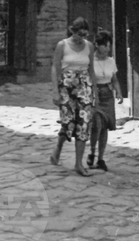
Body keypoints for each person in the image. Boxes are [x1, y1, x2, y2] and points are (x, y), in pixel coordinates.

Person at [50, 17, 98, 176]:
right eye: (79, 35)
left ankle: (78, 163)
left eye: (85, 35)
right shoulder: (62, 45)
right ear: (73, 32)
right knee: (68, 123)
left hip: (84, 87)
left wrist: (95, 92)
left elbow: (91, 70)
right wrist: (55, 91)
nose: (82, 38)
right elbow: (55, 68)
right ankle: (58, 147)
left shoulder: (89, 46)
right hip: (66, 88)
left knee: (84, 124)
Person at [88, 30, 122, 172]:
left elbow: (114, 79)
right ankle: (92, 151)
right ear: (97, 45)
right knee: (97, 125)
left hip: (107, 95)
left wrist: (118, 92)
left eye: (109, 46)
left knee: (105, 127)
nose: (108, 48)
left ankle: (101, 158)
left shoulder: (111, 61)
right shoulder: (90, 61)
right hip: (95, 94)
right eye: (105, 46)